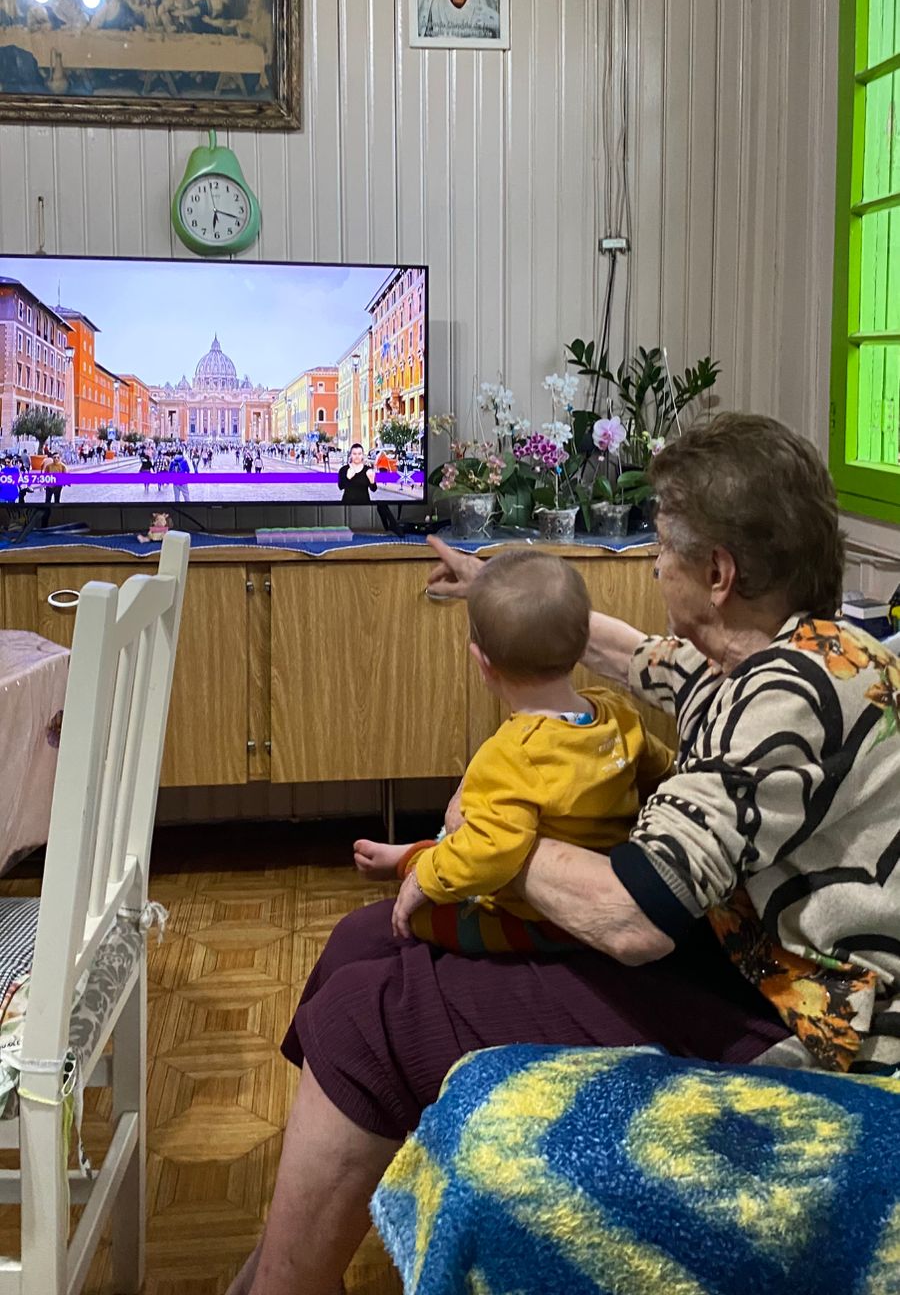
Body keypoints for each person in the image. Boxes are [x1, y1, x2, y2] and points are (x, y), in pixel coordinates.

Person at [226, 414, 900, 1295]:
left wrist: (492, 835)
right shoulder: (793, 652)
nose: (652, 564)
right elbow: (639, 657)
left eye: (662, 545)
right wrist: (504, 594)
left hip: (813, 1021)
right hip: (744, 957)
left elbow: (631, 918)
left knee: (371, 1014)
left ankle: (283, 1283)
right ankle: (286, 1253)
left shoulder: (783, 698)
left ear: (718, 574)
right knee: (364, 939)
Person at [355, 548, 671, 954]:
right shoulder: (618, 714)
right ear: (581, 647)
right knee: (478, 833)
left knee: (422, 916)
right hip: (602, 884)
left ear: (483, 664)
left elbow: (491, 854)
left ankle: (415, 861)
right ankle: (414, 854)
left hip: (539, 921)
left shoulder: (510, 755)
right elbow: (662, 769)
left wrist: (422, 882)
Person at [40, 447, 65, 515]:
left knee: (57, 500)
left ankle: (57, 513)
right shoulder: (48, 466)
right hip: (49, 486)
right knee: (47, 501)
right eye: (54, 457)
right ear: (52, 458)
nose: (56, 459)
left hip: (58, 486)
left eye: (58, 457)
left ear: (59, 458)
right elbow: (45, 474)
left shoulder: (62, 466)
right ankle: (46, 513)